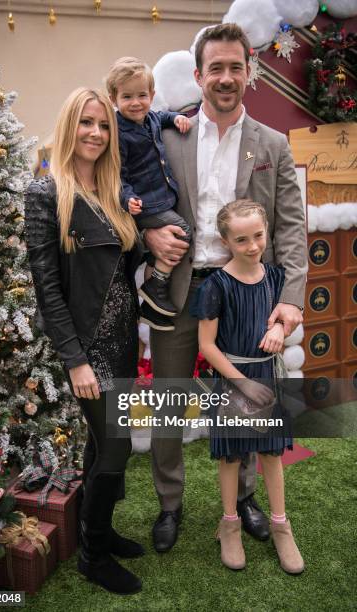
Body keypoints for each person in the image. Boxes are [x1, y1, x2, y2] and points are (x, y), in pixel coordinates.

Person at [144, 23, 308, 553]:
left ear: (249, 73)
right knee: (170, 399)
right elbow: (139, 199)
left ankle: (244, 501)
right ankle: (171, 503)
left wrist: (289, 299)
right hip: (180, 288)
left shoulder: (273, 144)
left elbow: (290, 227)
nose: (226, 77)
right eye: (215, 67)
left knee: (246, 397)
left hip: (244, 293)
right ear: (198, 75)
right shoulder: (168, 135)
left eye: (236, 66)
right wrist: (149, 232)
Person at [24, 88, 144, 595]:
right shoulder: (46, 192)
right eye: (86, 123)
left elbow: (122, 268)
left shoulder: (113, 189)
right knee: (116, 448)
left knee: (103, 447)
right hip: (87, 347)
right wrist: (74, 361)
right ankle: (92, 556)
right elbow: (47, 288)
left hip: (122, 339)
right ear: (69, 125)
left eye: (102, 125)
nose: (95, 133)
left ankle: (103, 531)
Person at [194, 199, 304, 574]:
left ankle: (280, 526)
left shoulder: (276, 278)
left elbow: (285, 317)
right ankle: (229, 525)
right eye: (241, 240)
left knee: (272, 455)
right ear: (226, 241)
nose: (253, 245)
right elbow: (207, 346)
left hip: (267, 378)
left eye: (258, 236)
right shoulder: (215, 286)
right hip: (233, 381)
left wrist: (278, 327)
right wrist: (242, 386)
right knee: (232, 455)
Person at [106, 56, 192, 330]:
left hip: (161, 198)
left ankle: (152, 306)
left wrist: (176, 117)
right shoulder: (119, 133)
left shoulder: (151, 118)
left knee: (170, 242)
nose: (136, 103)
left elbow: (162, 116)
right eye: (127, 96)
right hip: (145, 205)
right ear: (114, 99)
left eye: (142, 95)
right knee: (182, 231)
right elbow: (116, 174)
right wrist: (126, 198)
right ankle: (156, 285)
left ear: (152, 95)